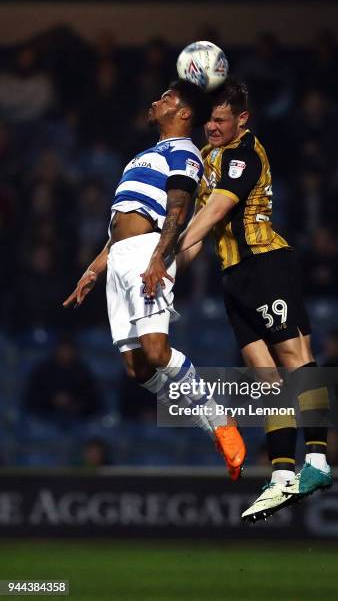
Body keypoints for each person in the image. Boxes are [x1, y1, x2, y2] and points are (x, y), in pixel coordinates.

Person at [63, 80, 246, 480]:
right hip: (122, 256)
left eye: (166, 98)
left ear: (183, 114)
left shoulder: (184, 152)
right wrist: (94, 270)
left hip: (150, 253)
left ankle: (220, 421)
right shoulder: (141, 157)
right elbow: (118, 228)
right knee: (138, 369)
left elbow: (178, 209)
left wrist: (160, 257)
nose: (155, 102)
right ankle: (212, 428)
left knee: (159, 352)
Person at [176, 79, 333, 522]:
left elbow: (214, 213)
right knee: (266, 380)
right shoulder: (206, 159)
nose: (212, 126)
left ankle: (318, 461)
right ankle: (283, 475)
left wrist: (165, 252)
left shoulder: (245, 153)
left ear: (242, 119)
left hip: (266, 266)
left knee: (296, 358)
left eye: (221, 120)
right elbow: (195, 234)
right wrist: (167, 275)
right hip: (234, 279)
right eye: (208, 119)